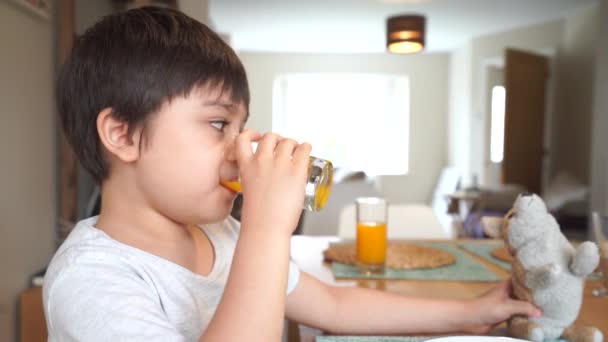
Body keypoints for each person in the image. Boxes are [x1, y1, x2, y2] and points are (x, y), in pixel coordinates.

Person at [44, 6, 541, 342]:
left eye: (241, 126)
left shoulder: (222, 234)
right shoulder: (91, 281)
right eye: (218, 124)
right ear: (123, 134)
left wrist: (474, 312)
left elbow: (332, 306)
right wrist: (265, 226)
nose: (242, 146)